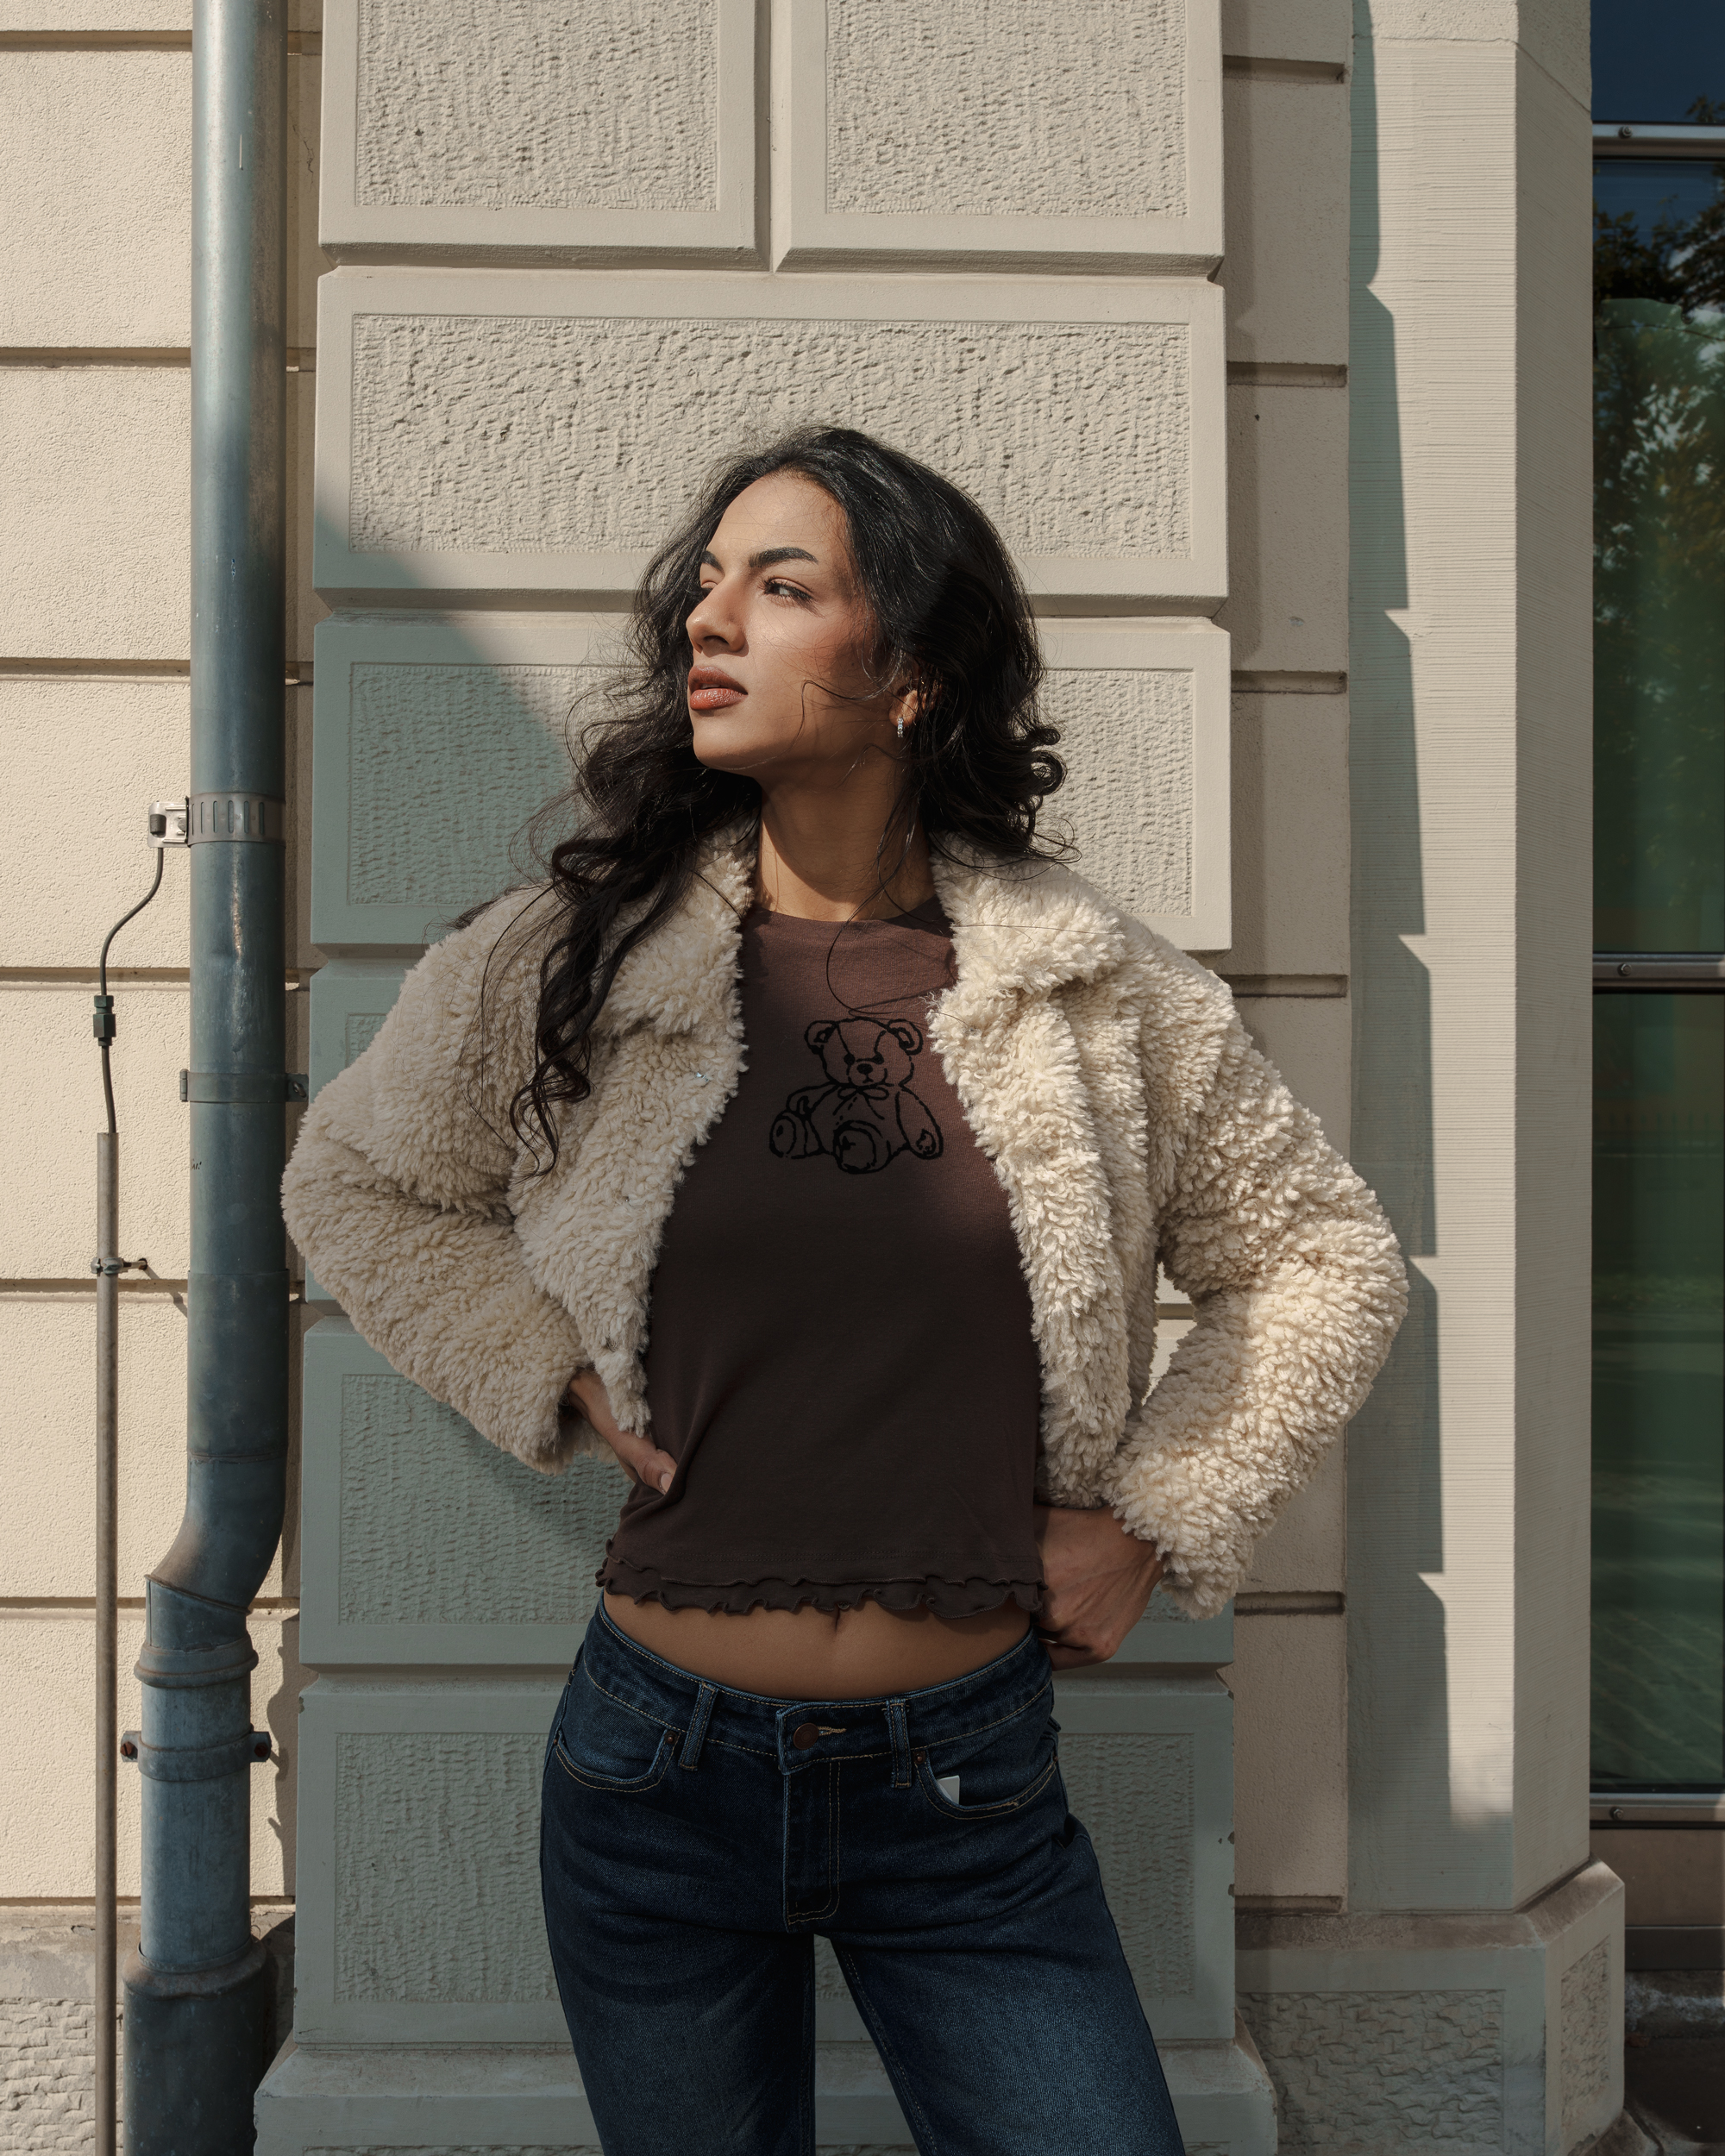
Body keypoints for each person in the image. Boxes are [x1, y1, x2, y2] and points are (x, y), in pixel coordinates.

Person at [282, 426, 1406, 2156]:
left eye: (782, 585)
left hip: (968, 1787)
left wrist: (1155, 1514)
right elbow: (353, 1181)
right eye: (705, 584)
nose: (708, 619)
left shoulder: (1094, 992)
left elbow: (1322, 1254)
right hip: (651, 1773)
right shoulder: (570, 952)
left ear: (914, 674)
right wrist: (546, 1368)